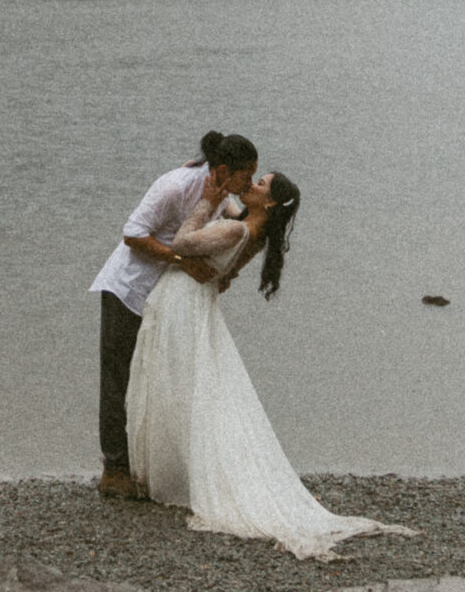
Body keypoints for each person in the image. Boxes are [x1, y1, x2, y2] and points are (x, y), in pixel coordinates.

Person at [124, 168, 408, 558]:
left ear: (270, 201)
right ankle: (181, 473)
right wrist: (224, 198)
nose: (253, 184)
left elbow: (182, 242)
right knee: (193, 387)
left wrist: (207, 200)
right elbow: (226, 270)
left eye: (260, 184)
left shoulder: (235, 231)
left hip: (182, 303)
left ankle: (175, 477)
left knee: (177, 385)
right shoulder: (252, 234)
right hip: (194, 304)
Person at [88, 130, 258, 499]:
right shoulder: (175, 186)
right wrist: (180, 260)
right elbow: (132, 233)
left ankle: (151, 463)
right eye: (246, 177)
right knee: (118, 377)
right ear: (225, 170)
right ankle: (114, 468)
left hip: (162, 298)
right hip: (128, 290)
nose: (247, 185)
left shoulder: (218, 194)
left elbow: (235, 221)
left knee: (153, 377)